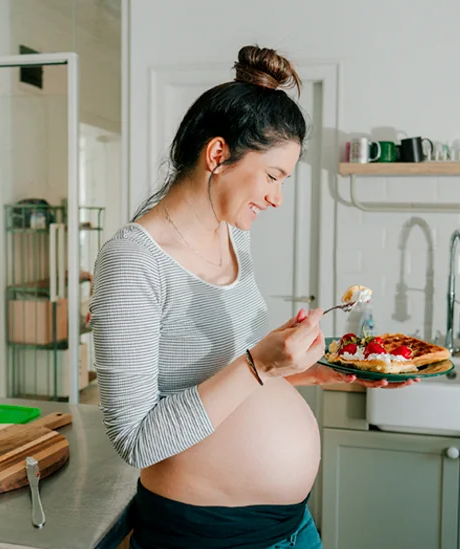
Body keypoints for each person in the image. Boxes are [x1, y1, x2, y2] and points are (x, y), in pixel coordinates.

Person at [89, 45, 416, 549]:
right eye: (272, 176)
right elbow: (136, 439)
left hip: (291, 528)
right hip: (209, 537)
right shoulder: (133, 260)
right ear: (218, 155)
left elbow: (225, 377)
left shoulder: (233, 235)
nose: (276, 197)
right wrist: (260, 365)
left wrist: (312, 370)